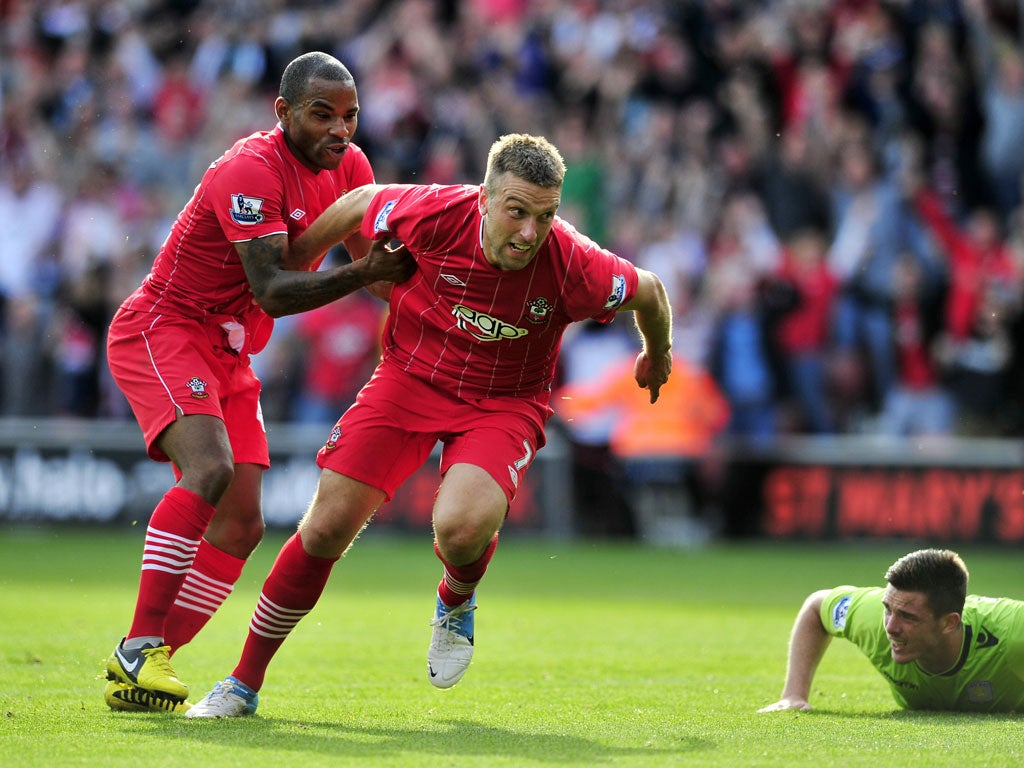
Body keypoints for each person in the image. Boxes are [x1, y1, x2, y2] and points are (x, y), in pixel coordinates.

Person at [184, 132, 674, 717]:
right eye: (516, 212)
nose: (529, 232)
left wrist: (659, 353)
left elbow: (650, 290)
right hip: (409, 379)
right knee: (323, 530)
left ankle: (456, 597)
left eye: (545, 216)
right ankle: (242, 683)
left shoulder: (575, 264)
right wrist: (297, 260)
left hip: (504, 402)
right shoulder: (435, 211)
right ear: (484, 200)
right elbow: (359, 202)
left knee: (462, 530)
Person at [100, 51, 414, 714]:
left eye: (350, 116)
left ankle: (142, 669)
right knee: (209, 471)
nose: (340, 129)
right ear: (283, 112)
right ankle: (138, 647)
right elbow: (271, 289)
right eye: (322, 114)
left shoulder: (352, 169)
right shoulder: (250, 169)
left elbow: (381, 275)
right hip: (166, 326)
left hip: (230, 351)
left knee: (242, 525)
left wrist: (446, 283)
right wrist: (362, 277)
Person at [759, 548, 1024, 713]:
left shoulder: (1012, 634)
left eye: (908, 617)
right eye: (888, 609)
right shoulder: (872, 619)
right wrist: (793, 696)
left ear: (949, 623)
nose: (891, 627)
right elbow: (817, 607)